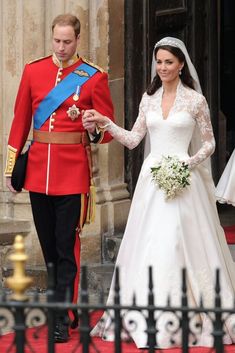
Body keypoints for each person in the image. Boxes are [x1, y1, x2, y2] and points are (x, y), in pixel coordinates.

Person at [82, 37, 235, 348]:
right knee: (150, 241)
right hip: (152, 181)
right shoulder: (148, 99)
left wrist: (187, 164)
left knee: (180, 240)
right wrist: (106, 122)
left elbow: (209, 143)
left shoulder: (195, 101)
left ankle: (188, 317)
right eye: (159, 62)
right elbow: (134, 139)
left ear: (181, 64)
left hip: (183, 178)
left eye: (168, 62)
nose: (163, 67)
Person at [4, 13, 114, 343]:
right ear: (51, 38)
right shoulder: (33, 71)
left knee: (67, 248)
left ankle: (60, 315)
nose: (61, 47)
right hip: (38, 173)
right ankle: (62, 306)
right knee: (49, 248)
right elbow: (20, 120)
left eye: (67, 42)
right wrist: (11, 168)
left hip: (73, 175)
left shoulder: (93, 77)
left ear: (77, 40)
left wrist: (95, 128)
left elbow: (106, 132)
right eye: (57, 41)